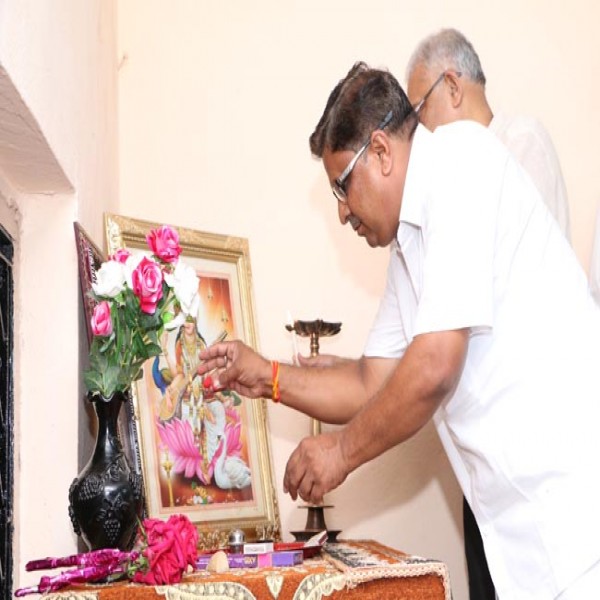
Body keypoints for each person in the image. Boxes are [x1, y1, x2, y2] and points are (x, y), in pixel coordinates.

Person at [199, 62, 600, 599]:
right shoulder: (408, 247)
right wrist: (267, 375)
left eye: (343, 186)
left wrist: (340, 453)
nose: (342, 213)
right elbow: (370, 381)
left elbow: (434, 366)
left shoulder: (462, 161)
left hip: (576, 513)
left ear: (382, 151)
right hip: (524, 537)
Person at [405, 28, 573, 599]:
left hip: (535, 449)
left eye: (419, 112)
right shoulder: (449, 181)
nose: (419, 136)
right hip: (485, 456)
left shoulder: (516, 142)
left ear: (452, 86)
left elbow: (503, 293)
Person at [406, 28, 570, 241]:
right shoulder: (450, 169)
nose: (421, 131)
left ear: (453, 88)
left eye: (420, 111)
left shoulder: (522, 142)